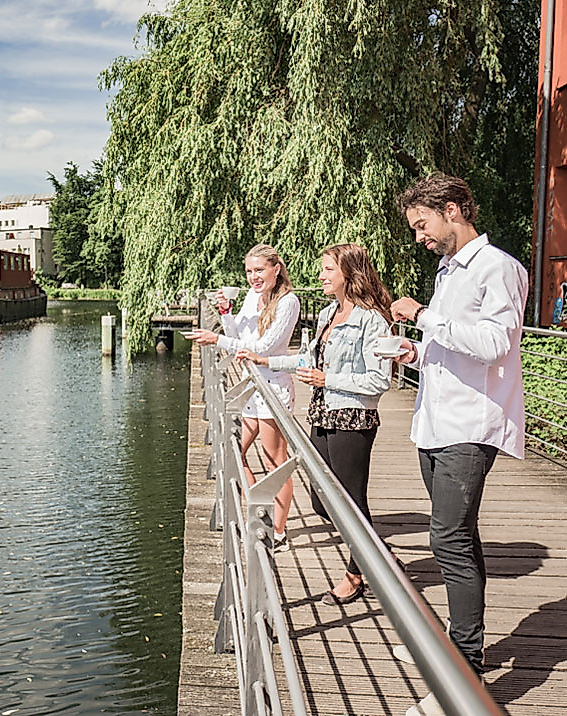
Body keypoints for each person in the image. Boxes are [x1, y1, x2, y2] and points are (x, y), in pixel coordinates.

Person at [391, 173, 527, 716]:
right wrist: (415, 351)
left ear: (452, 209)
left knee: (446, 538)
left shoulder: (498, 268)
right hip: (435, 422)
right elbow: (452, 343)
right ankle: (462, 651)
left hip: (469, 426)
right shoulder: (448, 270)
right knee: (459, 537)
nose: (419, 237)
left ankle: (463, 670)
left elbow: (495, 344)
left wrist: (423, 316)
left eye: (422, 224)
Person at [240, 243, 398, 605]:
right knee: (321, 501)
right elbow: (307, 359)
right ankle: (377, 553)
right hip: (323, 414)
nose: (321, 275)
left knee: (351, 502)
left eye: (328, 269)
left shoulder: (372, 319)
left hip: (353, 417)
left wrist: (328, 380)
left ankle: (356, 576)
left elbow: (379, 380)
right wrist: (266, 361)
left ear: (349, 273)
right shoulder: (328, 313)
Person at [188, 244, 300, 550]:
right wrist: (226, 314)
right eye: (249, 271)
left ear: (276, 268)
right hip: (252, 386)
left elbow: (261, 349)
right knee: (234, 453)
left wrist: (215, 339)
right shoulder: (252, 296)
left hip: (272, 388)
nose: (253, 277)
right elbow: (238, 337)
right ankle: (258, 511)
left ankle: (278, 531)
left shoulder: (288, 302)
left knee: (274, 461)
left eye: (259, 270)